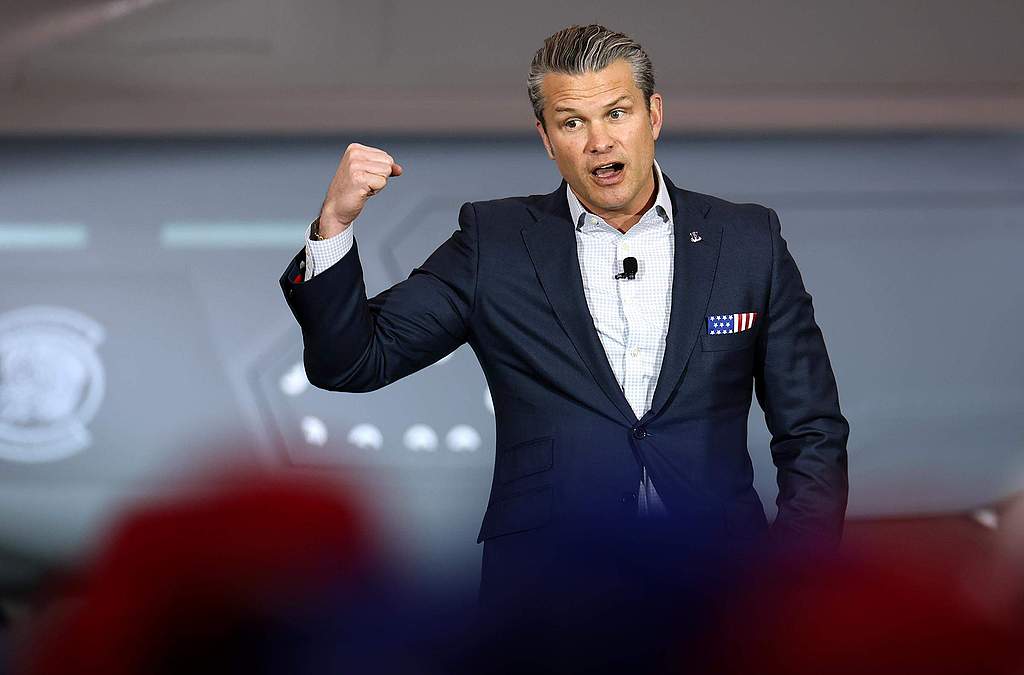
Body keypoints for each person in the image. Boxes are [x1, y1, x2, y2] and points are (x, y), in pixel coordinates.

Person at [280, 24, 849, 605]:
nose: (599, 141)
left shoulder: (747, 240)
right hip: (548, 593)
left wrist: (795, 577)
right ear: (547, 139)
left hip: (720, 585)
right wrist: (334, 225)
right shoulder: (495, 243)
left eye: (617, 113)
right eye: (573, 123)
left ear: (653, 115)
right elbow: (352, 363)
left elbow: (812, 430)